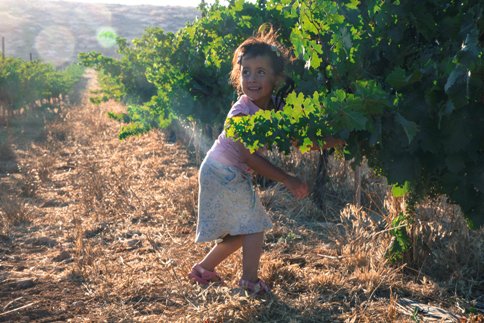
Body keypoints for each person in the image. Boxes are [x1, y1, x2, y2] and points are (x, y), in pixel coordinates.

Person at [188, 26, 312, 296]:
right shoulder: (241, 112)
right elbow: (249, 157)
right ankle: (249, 283)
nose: (252, 79)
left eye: (260, 72)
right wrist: (288, 179)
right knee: (254, 226)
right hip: (223, 171)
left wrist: (329, 140)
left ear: (276, 78)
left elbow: (295, 138)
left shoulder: (275, 107)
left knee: (242, 231)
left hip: (221, 170)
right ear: (238, 76)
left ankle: (203, 269)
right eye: (246, 72)